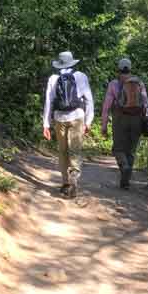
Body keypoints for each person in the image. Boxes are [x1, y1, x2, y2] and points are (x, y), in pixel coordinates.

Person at [42, 50, 94, 199]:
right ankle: (73, 180)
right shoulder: (81, 76)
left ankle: (65, 183)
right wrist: (88, 121)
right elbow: (89, 99)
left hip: (59, 118)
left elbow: (49, 101)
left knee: (63, 151)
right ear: (72, 62)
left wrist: (46, 124)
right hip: (77, 117)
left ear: (59, 64)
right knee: (75, 150)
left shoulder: (53, 78)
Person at [101, 57, 148, 190]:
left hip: (120, 119)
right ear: (130, 68)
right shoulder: (139, 83)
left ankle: (124, 166)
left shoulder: (114, 84)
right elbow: (146, 103)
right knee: (131, 151)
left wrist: (104, 125)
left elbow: (106, 106)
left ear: (119, 68)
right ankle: (125, 182)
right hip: (137, 119)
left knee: (118, 149)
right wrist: (147, 120)